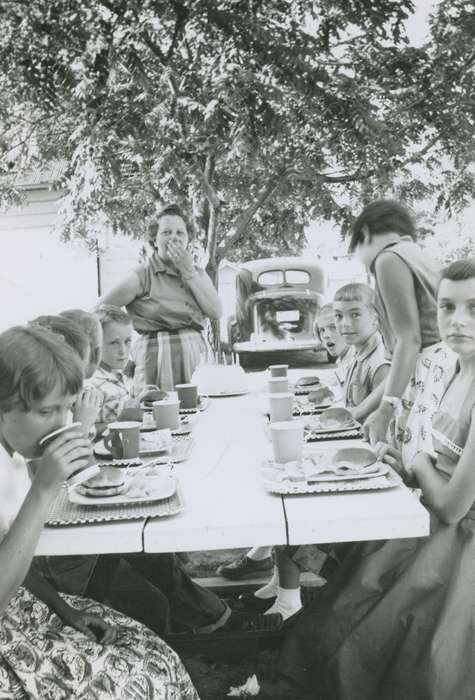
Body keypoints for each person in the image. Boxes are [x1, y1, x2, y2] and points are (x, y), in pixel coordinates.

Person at [267, 258, 475, 700]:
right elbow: (445, 465)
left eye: (474, 308)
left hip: (459, 543)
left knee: (368, 611)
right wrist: (402, 460)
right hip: (434, 517)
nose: (458, 321)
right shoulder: (461, 369)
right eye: (447, 308)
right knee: (348, 593)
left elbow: (454, 505)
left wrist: (416, 462)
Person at [34, 311, 280, 640]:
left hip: (79, 538)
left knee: (158, 559)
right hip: (65, 558)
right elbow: (63, 479)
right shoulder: (47, 421)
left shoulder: (57, 408)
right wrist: (80, 426)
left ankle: (216, 617)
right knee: (151, 600)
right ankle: (197, 629)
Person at [0, 324, 199, 698]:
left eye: (67, 408)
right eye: (47, 411)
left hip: (22, 610)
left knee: (153, 652)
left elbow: (8, 550)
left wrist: (63, 609)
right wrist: (43, 489)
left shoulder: (12, 452)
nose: (61, 424)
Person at [347, 199, 455, 466]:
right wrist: (361, 411)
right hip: (445, 371)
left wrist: (385, 410)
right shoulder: (416, 253)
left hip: (430, 373)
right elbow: (402, 363)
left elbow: (409, 341)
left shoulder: (388, 259)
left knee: (416, 466)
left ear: (366, 234)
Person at [99, 203, 221, 392]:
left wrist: (187, 272)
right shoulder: (141, 275)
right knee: (158, 415)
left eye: (180, 233)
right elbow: (100, 310)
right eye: (166, 232)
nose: (174, 237)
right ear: (155, 240)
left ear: (188, 239)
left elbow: (216, 311)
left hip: (195, 359)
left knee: (199, 412)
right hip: (154, 363)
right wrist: (120, 343)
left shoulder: (197, 272)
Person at [333, 283, 390, 422]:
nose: (345, 323)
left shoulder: (380, 361)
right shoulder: (355, 354)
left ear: (374, 318)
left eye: (355, 315)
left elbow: (382, 419)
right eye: (338, 316)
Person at [89, 305, 137, 435]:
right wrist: (119, 423)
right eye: (114, 343)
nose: (123, 350)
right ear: (96, 344)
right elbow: (86, 432)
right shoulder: (93, 385)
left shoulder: (119, 374)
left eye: (127, 341)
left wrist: (142, 400)